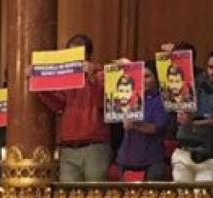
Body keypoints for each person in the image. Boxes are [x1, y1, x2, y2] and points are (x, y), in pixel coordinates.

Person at [37, 34, 111, 182]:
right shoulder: (66, 76)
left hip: (94, 146)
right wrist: (40, 86)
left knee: (94, 196)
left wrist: (92, 78)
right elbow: (58, 105)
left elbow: (106, 104)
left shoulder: (103, 74)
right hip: (68, 147)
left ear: (88, 55)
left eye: (77, 54)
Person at [172, 46, 213, 183]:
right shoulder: (193, 86)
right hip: (184, 151)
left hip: (210, 155)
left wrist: (194, 121)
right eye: (210, 67)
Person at [117, 60, 171, 181]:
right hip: (126, 158)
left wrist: (134, 125)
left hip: (151, 159)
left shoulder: (162, 100)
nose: (142, 80)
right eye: (140, 76)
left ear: (156, 78)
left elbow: (155, 128)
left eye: (147, 76)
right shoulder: (128, 95)